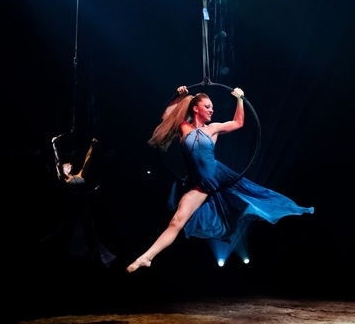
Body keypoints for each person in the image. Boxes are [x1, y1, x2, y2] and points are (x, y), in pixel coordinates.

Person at [126, 86, 314, 272]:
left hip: (216, 176)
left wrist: (240, 99)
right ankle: (146, 257)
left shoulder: (213, 129)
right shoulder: (183, 127)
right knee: (176, 221)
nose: (211, 110)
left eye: (212, 107)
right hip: (197, 184)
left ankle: (276, 208)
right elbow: (167, 116)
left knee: (251, 196)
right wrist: (178, 96)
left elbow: (238, 123)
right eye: (207, 106)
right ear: (195, 108)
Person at [41, 136, 115, 267]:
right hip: (73, 208)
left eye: (69, 164)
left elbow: (87, 161)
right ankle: (53, 251)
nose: (68, 164)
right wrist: (54, 145)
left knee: (89, 232)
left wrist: (93, 146)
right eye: (66, 165)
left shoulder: (79, 175)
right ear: (63, 170)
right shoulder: (63, 180)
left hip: (84, 207)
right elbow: (58, 161)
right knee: (66, 232)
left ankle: (94, 256)